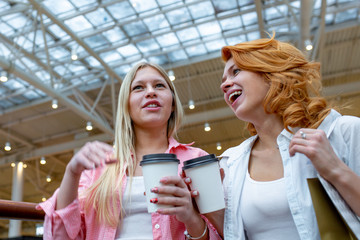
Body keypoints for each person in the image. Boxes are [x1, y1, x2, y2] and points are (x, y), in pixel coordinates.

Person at [37, 62, 221, 240]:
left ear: (172, 103)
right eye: (139, 88)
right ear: (127, 105)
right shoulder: (100, 167)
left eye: (159, 86)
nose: (151, 92)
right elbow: (60, 236)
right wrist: (72, 171)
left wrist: (190, 217)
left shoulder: (197, 160)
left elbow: (224, 233)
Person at [214, 35, 360, 239]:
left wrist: (335, 169)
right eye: (223, 81)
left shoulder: (343, 132)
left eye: (236, 72)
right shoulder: (231, 163)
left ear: (271, 72)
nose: (224, 85)